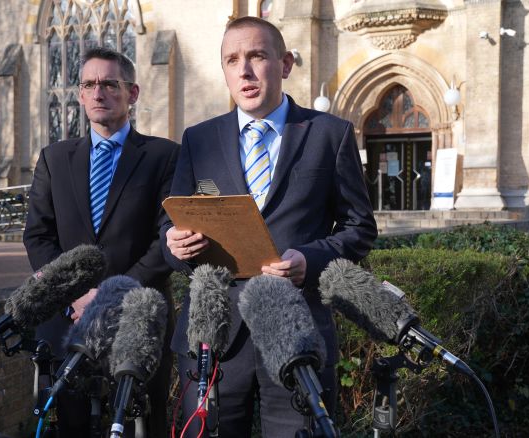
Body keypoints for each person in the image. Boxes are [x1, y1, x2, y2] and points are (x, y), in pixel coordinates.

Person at [161, 16, 377, 437]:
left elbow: (360, 227)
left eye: (257, 56)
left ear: (285, 63)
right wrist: (175, 243)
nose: (244, 70)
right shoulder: (198, 140)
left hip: (296, 327)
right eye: (232, 60)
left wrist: (309, 260)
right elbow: (173, 225)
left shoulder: (329, 134)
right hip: (215, 335)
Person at [23, 47, 178, 437]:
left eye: (110, 83)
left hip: (140, 316)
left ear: (133, 93)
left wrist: (111, 294)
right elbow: (38, 236)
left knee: (144, 424)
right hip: (70, 318)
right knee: (75, 423)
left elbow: (167, 240)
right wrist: (76, 295)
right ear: (79, 95)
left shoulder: (165, 156)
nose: (98, 93)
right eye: (89, 84)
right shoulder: (54, 159)